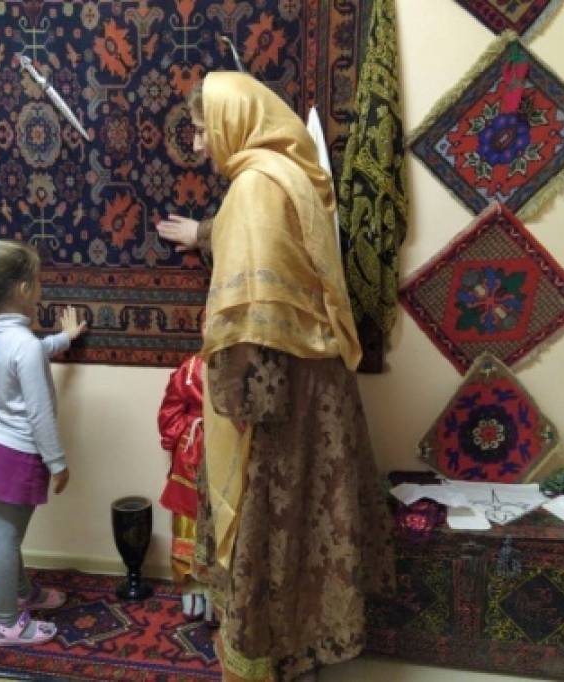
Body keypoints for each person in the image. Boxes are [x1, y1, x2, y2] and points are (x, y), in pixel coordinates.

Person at [157, 73, 393, 682]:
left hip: (275, 396)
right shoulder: (289, 173)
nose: (198, 144)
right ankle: (301, 653)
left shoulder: (253, 190)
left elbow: (252, 315)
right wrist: (205, 233)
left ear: (233, 122)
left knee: (265, 535)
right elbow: (273, 260)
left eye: (202, 129)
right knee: (307, 534)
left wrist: (236, 407)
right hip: (318, 388)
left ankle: (267, 657)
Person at [0, 238, 88, 647]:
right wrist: (58, 463)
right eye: (38, 282)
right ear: (23, 289)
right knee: (6, 539)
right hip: (17, 453)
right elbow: (39, 413)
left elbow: (33, 352)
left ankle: (21, 593)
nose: (41, 289)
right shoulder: (22, 344)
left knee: (5, 534)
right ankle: (6, 623)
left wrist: (63, 339)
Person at [156, 351, 212, 622]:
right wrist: (179, 440)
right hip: (192, 450)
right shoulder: (190, 367)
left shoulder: (242, 364)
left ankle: (216, 590)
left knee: (222, 521)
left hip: (228, 450)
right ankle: (190, 586)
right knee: (188, 518)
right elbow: (171, 410)